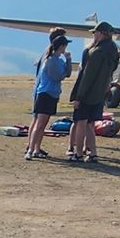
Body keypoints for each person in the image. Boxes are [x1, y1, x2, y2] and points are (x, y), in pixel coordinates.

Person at [67, 20, 118, 163]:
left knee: (81, 122)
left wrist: (79, 96)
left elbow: (87, 77)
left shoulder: (96, 53)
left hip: (88, 94)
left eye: (95, 32)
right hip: (100, 94)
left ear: (101, 34)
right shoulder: (113, 52)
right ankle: (93, 152)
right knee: (90, 124)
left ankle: (78, 153)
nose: (94, 35)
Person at [26, 28, 72, 159]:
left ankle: (35, 148)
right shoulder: (51, 59)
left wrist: (68, 60)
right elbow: (58, 76)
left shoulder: (58, 59)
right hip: (45, 93)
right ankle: (31, 149)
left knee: (41, 124)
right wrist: (63, 71)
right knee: (39, 124)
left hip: (51, 94)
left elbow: (67, 73)